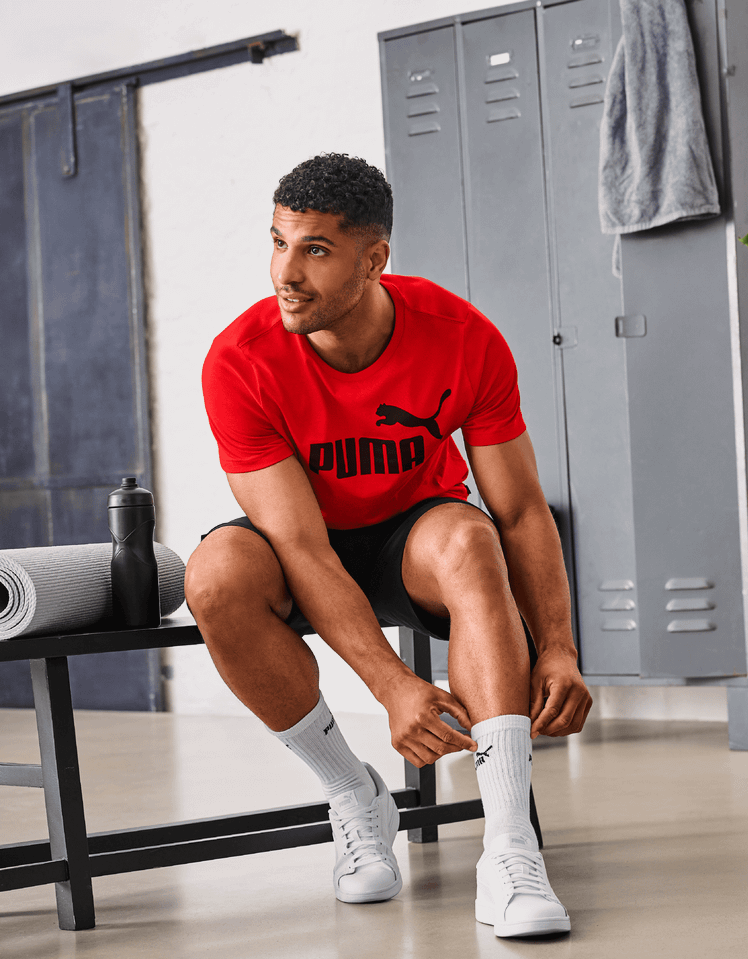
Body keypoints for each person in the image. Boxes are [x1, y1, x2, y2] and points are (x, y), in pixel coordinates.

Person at [184, 153, 591, 939]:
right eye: (278, 242)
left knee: (472, 538)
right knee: (216, 575)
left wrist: (560, 647)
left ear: (375, 260)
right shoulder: (241, 361)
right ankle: (352, 792)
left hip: (414, 535)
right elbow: (301, 549)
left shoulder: (460, 337)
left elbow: (522, 509)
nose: (285, 272)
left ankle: (509, 850)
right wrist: (394, 686)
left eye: (315, 249)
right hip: (306, 541)